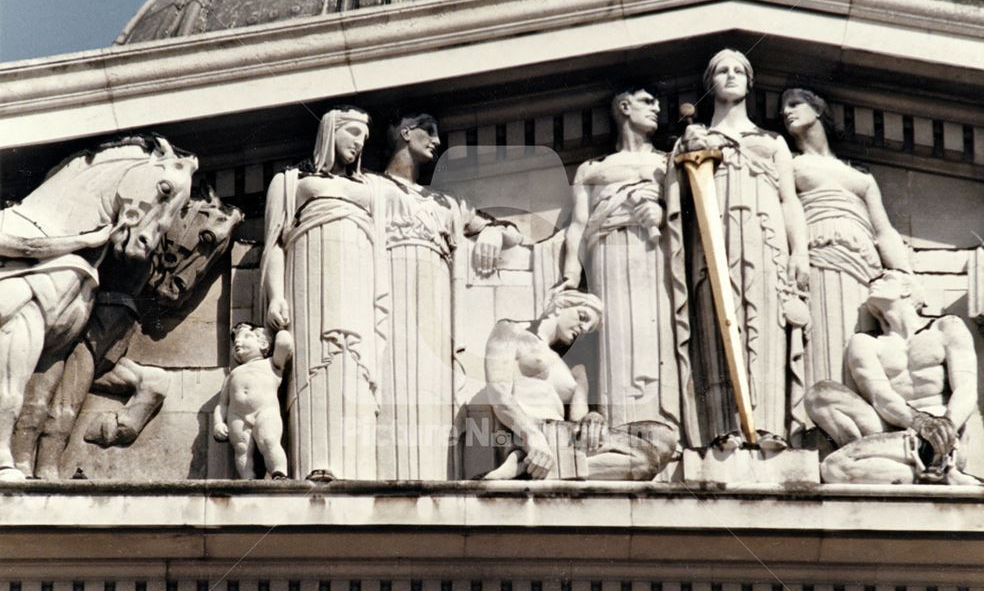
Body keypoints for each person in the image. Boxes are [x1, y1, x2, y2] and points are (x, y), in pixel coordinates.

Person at [374, 114, 522, 479]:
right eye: (430, 131)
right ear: (406, 133)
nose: (437, 141)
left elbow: (512, 232)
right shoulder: (370, 188)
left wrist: (491, 234)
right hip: (386, 311)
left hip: (434, 317)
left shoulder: (445, 203)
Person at [679, 49, 810, 447]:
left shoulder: (771, 143)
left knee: (765, 321)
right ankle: (723, 427)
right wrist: (682, 155)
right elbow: (678, 201)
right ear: (710, 83)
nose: (731, 75)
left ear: (750, 83)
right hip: (711, 240)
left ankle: (767, 423)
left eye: (739, 70)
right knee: (713, 317)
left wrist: (799, 251)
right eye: (722, 70)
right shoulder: (697, 138)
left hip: (764, 240)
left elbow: (790, 200)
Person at [260, 106, 388, 481]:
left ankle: (359, 471)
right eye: (352, 133)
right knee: (316, 368)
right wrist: (275, 296)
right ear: (330, 131)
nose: (359, 143)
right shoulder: (290, 181)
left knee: (356, 367)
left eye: (364, 137)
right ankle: (315, 462)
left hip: (358, 284)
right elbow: (274, 245)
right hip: (310, 283)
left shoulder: (371, 189)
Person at [559, 86, 691, 447]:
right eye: (648, 102)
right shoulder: (592, 169)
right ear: (623, 106)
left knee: (657, 331)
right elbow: (578, 225)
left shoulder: (668, 163)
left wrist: (664, 214)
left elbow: (694, 224)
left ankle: (664, 425)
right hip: (608, 254)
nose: (657, 108)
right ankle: (620, 429)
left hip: (657, 254)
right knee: (615, 332)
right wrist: (570, 274)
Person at [781, 88, 912, 389]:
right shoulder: (791, 163)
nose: (787, 112)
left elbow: (884, 232)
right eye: (783, 109)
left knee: (859, 336)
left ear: (818, 110)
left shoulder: (862, 177)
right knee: (827, 333)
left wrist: (907, 275)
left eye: (794, 104)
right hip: (820, 254)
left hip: (864, 266)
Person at [804, 271, 983, 485]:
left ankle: (931, 462)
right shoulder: (866, 343)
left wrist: (946, 426)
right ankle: (935, 474)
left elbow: (966, 388)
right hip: (892, 428)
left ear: (907, 289)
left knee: (835, 467)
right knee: (819, 395)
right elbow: (880, 396)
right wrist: (920, 422)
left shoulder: (946, 327)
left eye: (886, 278)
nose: (874, 281)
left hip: (944, 432)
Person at [482, 290, 677, 480]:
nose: (583, 329)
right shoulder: (511, 330)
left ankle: (529, 468)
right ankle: (536, 464)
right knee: (645, 461)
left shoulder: (575, 369)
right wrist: (533, 436)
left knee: (663, 438)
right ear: (560, 305)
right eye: (582, 317)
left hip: (565, 436)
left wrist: (593, 417)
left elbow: (580, 420)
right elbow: (499, 394)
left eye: (588, 329)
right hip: (531, 430)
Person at [213, 323, 291, 480]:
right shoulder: (233, 373)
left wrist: (281, 329)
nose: (238, 342)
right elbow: (222, 404)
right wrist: (218, 423)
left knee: (269, 440)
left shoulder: (271, 364)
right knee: (242, 448)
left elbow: (285, 344)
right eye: (236, 340)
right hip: (237, 415)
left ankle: (279, 472)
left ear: (263, 343)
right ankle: (247, 479)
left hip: (265, 411)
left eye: (246, 337)